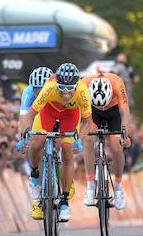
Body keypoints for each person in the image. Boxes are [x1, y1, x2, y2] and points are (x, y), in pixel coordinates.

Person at [17, 63, 90, 223]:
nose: (65, 91)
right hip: (48, 112)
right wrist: (23, 135)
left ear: (76, 85)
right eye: (61, 87)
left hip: (70, 115)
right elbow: (30, 115)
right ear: (56, 83)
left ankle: (64, 202)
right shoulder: (49, 88)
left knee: (67, 151)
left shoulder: (83, 91)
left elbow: (87, 122)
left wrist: (79, 139)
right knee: (37, 143)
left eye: (69, 88)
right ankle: (35, 174)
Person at [81, 71, 131, 209]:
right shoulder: (83, 84)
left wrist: (124, 134)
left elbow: (125, 113)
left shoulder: (117, 83)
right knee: (88, 140)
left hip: (114, 111)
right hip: (92, 111)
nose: (102, 107)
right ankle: (90, 186)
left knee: (116, 147)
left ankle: (119, 188)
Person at [18, 66, 52, 198]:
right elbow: (23, 119)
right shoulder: (28, 93)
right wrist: (24, 138)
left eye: (42, 90)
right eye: (37, 90)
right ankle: (34, 175)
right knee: (34, 142)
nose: (39, 93)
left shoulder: (55, 90)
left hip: (53, 112)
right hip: (35, 114)